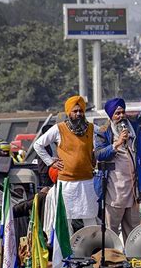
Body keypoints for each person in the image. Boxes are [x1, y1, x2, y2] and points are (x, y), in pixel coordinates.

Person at [94, 74, 141, 242]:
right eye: (117, 113)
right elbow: (98, 155)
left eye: (122, 112)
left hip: (133, 190)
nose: (121, 116)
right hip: (114, 191)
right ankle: (113, 261)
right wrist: (116, 144)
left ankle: (133, 261)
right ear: (111, 116)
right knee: (111, 231)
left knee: (133, 232)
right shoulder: (103, 132)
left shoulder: (134, 125)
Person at [34, 95, 97, 233]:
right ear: (69, 113)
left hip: (87, 182)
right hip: (67, 184)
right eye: (75, 111)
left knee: (90, 218)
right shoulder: (59, 129)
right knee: (66, 220)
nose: (78, 114)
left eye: (81, 111)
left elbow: (101, 143)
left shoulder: (91, 128)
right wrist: (51, 162)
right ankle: (66, 253)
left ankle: (92, 251)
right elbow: (38, 145)